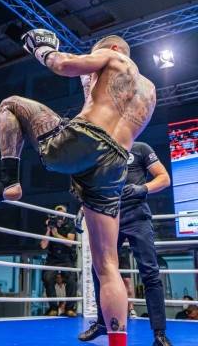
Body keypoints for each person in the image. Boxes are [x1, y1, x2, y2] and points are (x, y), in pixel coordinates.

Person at [0, 30, 156, 346]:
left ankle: (9, 180)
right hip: (116, 165)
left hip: (85, 142)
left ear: (113, 48)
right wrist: (91, 86)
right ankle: (118, 342)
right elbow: (114, 112)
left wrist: (43, 50)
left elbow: (62, 65)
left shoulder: (113, 56)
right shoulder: (150, 91)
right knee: (108, 265)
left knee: (10, 104)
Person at [78, 142, 172, 346]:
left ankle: (159, 333)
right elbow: (93, 188)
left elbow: (164, 178)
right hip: (109, 217)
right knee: (99, 270)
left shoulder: (140, 148)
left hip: (137, 216)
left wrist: (143, 188)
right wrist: (83, 209)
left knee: (150, 272)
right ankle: (102, 323)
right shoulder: (101, 152)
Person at [40, 205, 77, 317]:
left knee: (72, 279)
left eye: (62, 214)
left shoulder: (70, 224)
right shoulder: (51, 224)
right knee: (47, 277)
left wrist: (56, 235)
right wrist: (48, 229)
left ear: (65, 215)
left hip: (67, 258)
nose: (60, 216)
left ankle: (69, 308)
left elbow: (70, 243)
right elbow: (43, 245)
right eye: (58, 214)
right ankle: (53, 308)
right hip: (53, 258)